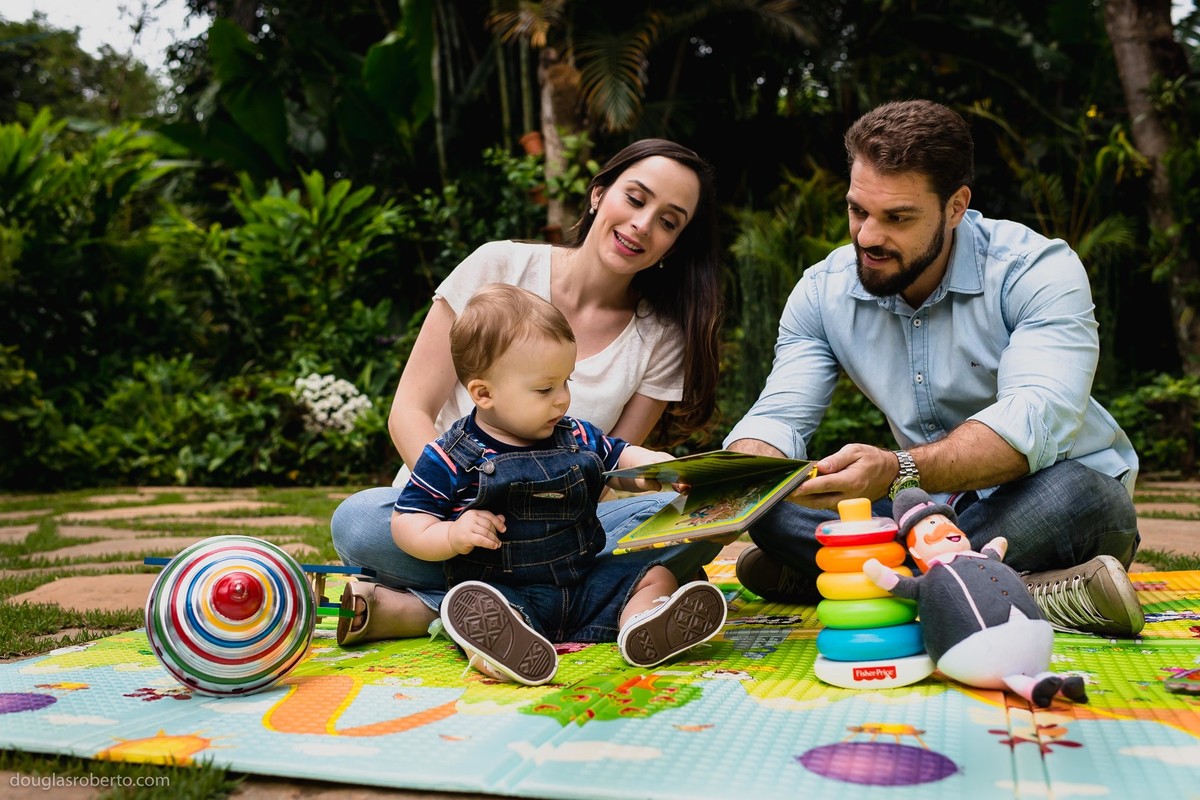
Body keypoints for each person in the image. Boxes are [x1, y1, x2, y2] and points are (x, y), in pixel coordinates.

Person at [724, 99, 1145, 638]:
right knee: (774, 508)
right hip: (925, 513)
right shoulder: (821, 291)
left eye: (897, 217)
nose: (867, 237)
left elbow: (1027, 425)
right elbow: (779, 416)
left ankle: (862, 575)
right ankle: (1025, 590)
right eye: (858, 211)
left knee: (1082, 495)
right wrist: (743, 474)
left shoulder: (1036, 269)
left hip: (1046, 495)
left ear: (955, 206)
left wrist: (898, 469)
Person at [332, 138, 725, 646]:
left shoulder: (662, 335)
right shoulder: (498, 267)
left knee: (703, 521)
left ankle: (431, 609)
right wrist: (456, 518)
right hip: (451, 517)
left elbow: (608, 474)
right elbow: (409, 409)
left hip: (560, 530)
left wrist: (659, 474)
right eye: (635, 198)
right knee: (358, 524)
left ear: (677, 242)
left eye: (669, 221)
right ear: (598, 195)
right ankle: (609, 598)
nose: (643, 225)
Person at [392, 284, 727, 684]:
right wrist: (451, 534)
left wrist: (653, 465)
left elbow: (619, 457)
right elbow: (407, 523)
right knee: (481, 605)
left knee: (651, 574)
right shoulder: (450, 456)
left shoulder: (576, 435)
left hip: (584, 583)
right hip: (509, 592)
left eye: (566, 382)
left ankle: (646, 623)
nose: (561, 400)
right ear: (484, 393)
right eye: (545, 389)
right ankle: (500, 646)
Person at [863, 488, 1090, 708]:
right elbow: (902, 585)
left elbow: (994, 550)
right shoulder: (932, 579)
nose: (944, 528)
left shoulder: (978, 556)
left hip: (1031, 627)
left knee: (1066, 489)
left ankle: (1053, 682)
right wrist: (880, 573)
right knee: (1007, 673)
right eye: (932, 524)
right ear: (916, 552)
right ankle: (1030, 688)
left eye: (947, 522)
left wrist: (994, 547)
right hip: (973, 643)